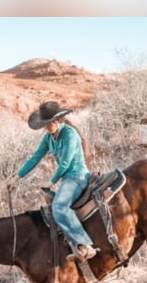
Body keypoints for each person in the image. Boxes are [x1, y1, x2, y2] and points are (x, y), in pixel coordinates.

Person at [7, 101, 98, 262]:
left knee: (59, 206)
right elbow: (35, 158)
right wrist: (17, 177)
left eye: (48, 124)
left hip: (78, 177)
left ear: (57, 121)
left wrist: (51, 181)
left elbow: (66, 162)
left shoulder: (70, 134)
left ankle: (85, 245)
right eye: (44, 125)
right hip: (67, 179)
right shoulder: (49, 138)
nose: (46, 128)